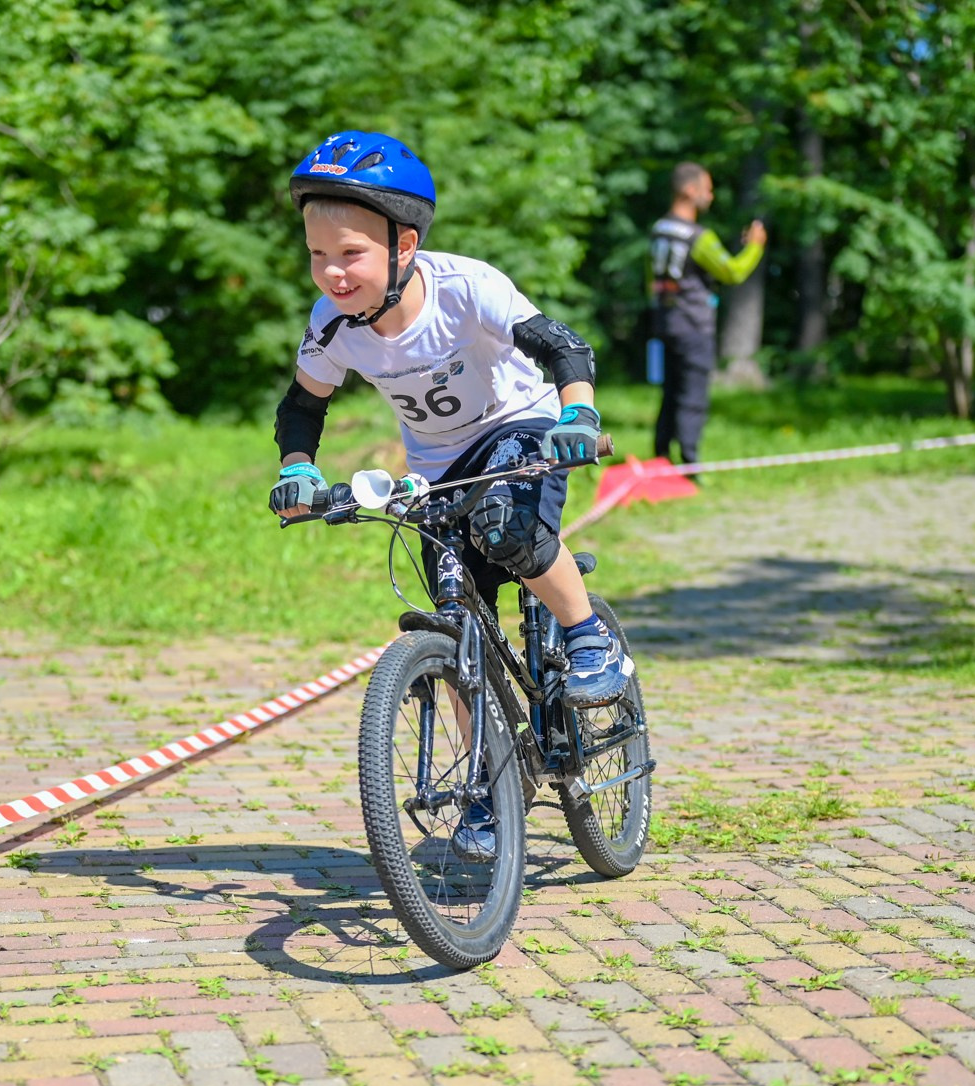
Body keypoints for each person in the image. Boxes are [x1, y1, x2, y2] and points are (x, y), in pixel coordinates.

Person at [267, 130, 634, 859]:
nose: (332, 272)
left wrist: (579, 415)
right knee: (457, 618)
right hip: (437, 464)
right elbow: (302, 406)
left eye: (350, 253)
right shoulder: (332, 324)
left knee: (506, 528)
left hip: (523, 426)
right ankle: (489, 787)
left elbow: (564, 347)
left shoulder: (465, 288)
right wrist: (299, 469)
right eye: (317, 255)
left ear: (404, 244)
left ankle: (590, 637)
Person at [648, 162, 766, 465]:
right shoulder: (699, 237)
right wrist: (755, 247)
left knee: (670, 393)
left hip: (666, 321)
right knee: (693, 398)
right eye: (708, 189)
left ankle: (661, 457)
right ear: (690, 190)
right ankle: (690, 465)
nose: (711, 196)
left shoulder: (659, 229)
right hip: (694, 326)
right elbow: (733, 272)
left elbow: (651, 280)